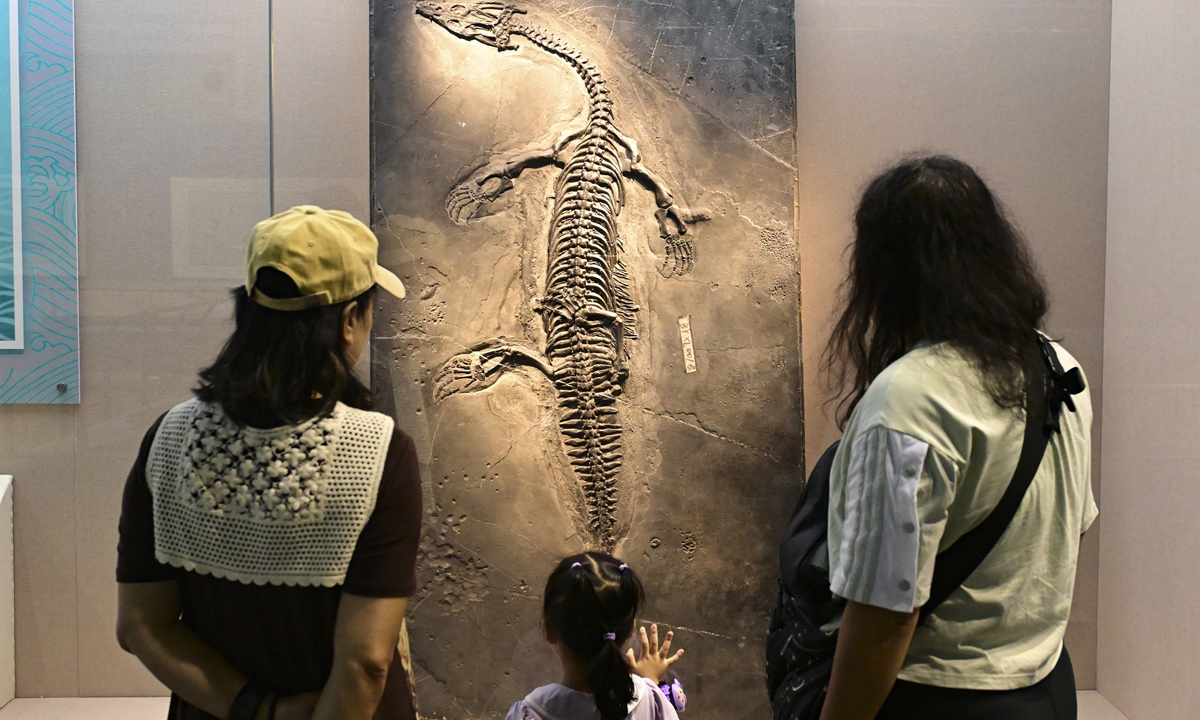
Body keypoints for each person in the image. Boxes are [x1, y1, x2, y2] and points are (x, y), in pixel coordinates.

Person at [115, 206, 421, 720]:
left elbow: (142, 626)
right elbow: (365, 663)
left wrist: (260, 710)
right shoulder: (379, 452)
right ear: (349, 322)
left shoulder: (168, 439)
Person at [818, 157, 1095, 720]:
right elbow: (1072, 532)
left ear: (884, 270)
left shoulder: (908, 400)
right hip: (1047, 685)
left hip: (939, 698)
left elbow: (884, 615)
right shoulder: (1056, 365)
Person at [507, 552, 685, 720]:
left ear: (549, 629)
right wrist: (649, 686)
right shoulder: (652, 703)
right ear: (631, 629)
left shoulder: (529, 713)